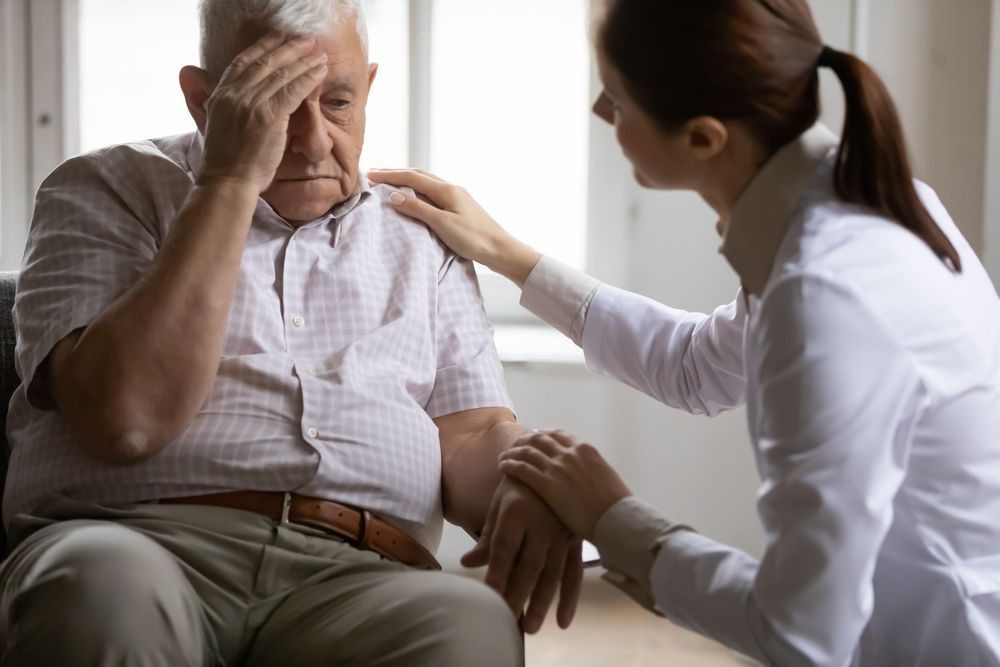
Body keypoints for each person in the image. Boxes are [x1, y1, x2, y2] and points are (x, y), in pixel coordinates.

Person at [369, 0, 1000, 665]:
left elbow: (800, 634)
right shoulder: (859, 206)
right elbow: (698, 368)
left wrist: (615, 518)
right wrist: (508, 253)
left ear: (702, 138)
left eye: (615, 97)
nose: (600, 114)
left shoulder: (823, 293)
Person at [0, 1, 584, 664]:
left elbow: (472, 434)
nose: (309, 138)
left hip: (363, 574)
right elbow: (126, 417)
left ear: (369, 89)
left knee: (470, 622)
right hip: (138, 539)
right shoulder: (107, 187)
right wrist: (228, 177)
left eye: (337, 101)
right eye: (274, 104)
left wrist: (527, 479)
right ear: (203, 100)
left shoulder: (423, 238)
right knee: (98, 590)